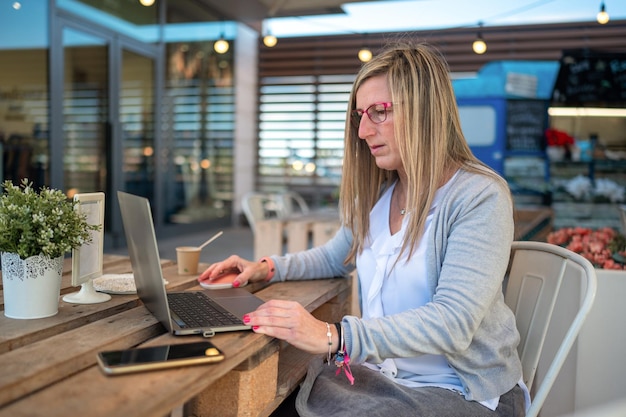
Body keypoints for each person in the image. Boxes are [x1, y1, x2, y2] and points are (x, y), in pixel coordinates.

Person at [199, 41, 528, 417]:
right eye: (360, 115)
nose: (363, 131)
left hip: (460, 393)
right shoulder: (382, 195)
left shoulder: (479, 197)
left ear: (426, 111)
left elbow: (454, 322)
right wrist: (267, 268)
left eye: (380, 112)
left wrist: (335, 336)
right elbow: (334, 257)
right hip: (383, 380)